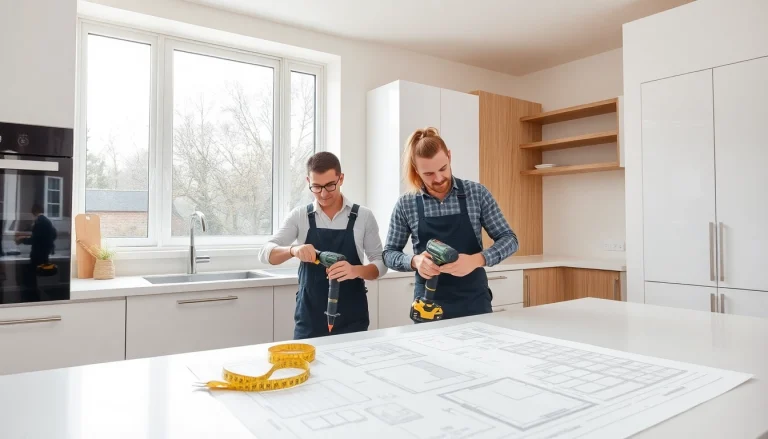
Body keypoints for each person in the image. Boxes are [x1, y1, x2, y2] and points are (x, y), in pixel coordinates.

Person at [383, 127, 518, 320]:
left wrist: (476, 260)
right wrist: (415, 261)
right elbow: (389, 254)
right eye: (428, 173)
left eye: (443, 168)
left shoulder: (477, 194)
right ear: (415, 169)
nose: (438, 178)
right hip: (427, 304)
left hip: (474, 301)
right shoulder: (406, 203)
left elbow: (510, 239)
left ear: (449, 156)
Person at [258, 152, 387, 339]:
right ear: (308, 181)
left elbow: (381, 264)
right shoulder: (300, 216)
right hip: (309, 319)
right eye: (316, 187)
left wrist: (355, 271)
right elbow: (264, 253)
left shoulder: (364, 217)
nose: (324, 194)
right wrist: (293, 250)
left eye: (330, 185)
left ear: (341, 178)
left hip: (353, 318)